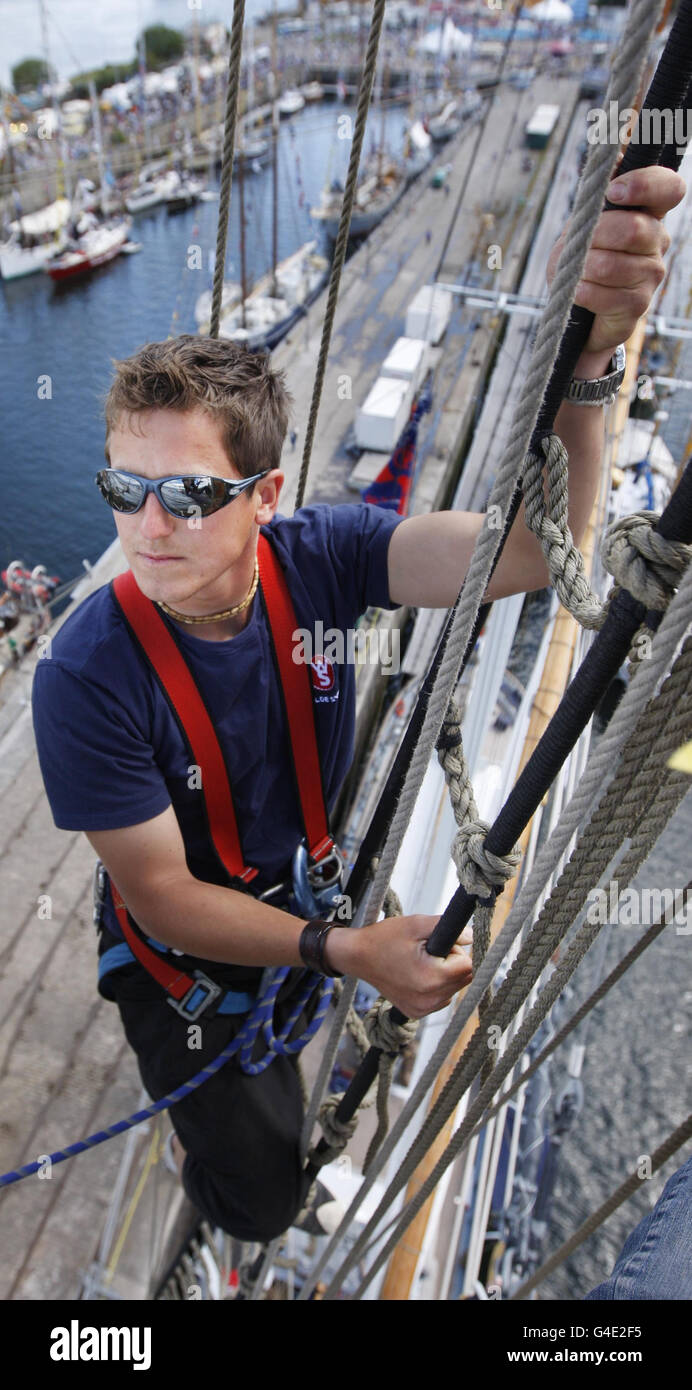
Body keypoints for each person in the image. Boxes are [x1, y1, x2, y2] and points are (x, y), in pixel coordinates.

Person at [31, 165, 682, 1244]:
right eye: (123, 488)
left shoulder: (323, 557)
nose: (147, 527)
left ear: (267, 496)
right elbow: (158, 897)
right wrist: (346, 948)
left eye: (188, 494)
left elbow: (532, 550)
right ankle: (203, 1157)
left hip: (302, 917)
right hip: (183, 973)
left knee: (289, 1038)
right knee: (260, 1201)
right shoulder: (85, 675)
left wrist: (594, 359)